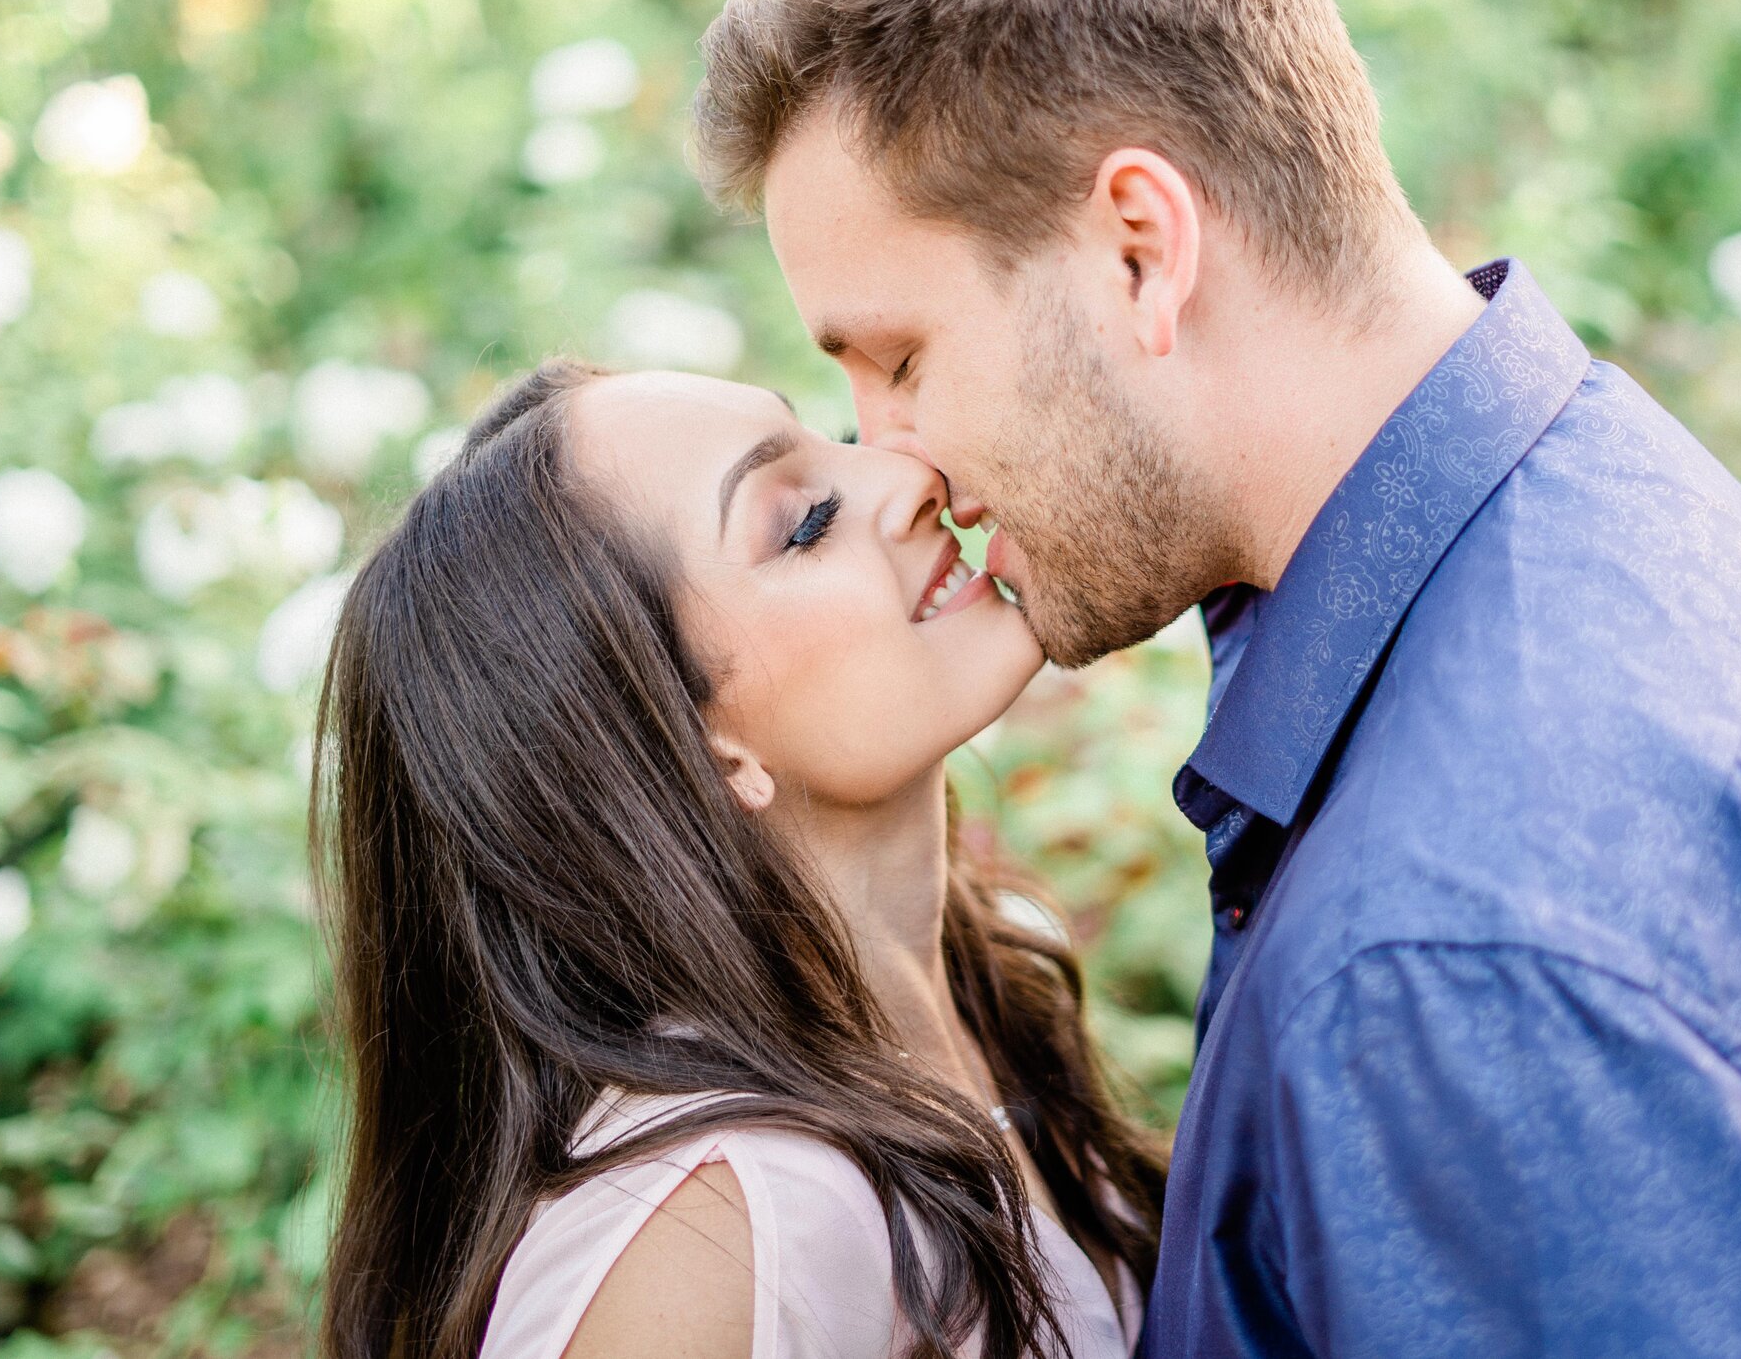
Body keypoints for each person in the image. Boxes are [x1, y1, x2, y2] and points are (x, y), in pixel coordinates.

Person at [697, 0, 1741, 1356]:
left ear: (1141, 247)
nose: (898, 461)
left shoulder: (1471, 948)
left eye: (902, 359)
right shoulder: (1597, 514)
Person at [312, 360, 1164, 1359]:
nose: (908, 475)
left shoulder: (978, 999)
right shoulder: (721, 1229)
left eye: (835, 438)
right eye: (801, 522)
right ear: (699, 747)